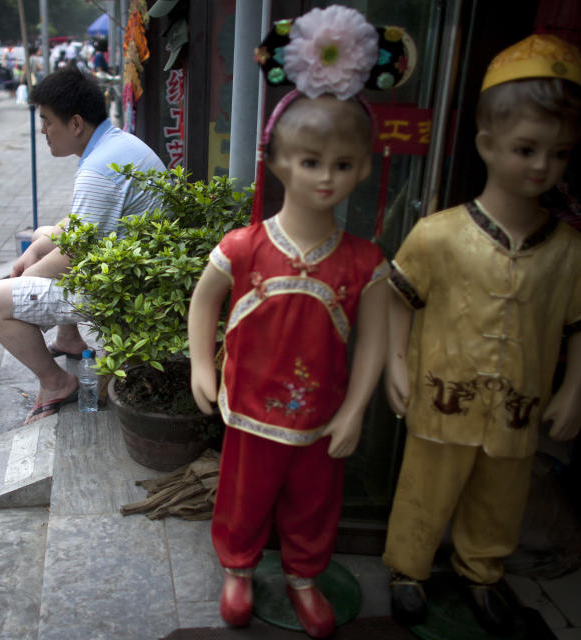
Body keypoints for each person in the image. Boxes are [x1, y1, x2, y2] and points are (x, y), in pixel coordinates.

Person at [383, 35, 581, 635]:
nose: (541, 166)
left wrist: (575, 389)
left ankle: (482, 574)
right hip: (441, 395)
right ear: (488, 145)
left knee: (501, 496)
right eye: (526, 148)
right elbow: (396, 298)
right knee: (425, 486)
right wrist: (396, 365)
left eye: (558, 154)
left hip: (517, 408)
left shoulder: (574, 256)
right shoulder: (438, 235)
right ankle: (409, 569)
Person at [187, 8, 389, 637]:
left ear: (363, 167)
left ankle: (305, 575)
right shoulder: (244, 248)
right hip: (248, 407)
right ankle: (239, 569)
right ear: (275, 161)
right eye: (310, 161)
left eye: (342, 163)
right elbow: (203, 301)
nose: (326, 176)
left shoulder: (365, 261)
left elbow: (377, 339)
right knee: (243, 498)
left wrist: (357, 408)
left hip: (321, 415)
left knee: (315, 502)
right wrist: (201, 363)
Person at [0, 67, 163, 425]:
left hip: (127, 292)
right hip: (131, 269)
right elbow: (77, 226)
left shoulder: (97, 170)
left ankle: (56, 382)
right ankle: (69, 339)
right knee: (42, 235)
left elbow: (75, 252)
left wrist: (23, 280)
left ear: (75, 123)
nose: (43, 131)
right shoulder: (117, 143)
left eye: (47, 121)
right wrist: (34, 251)